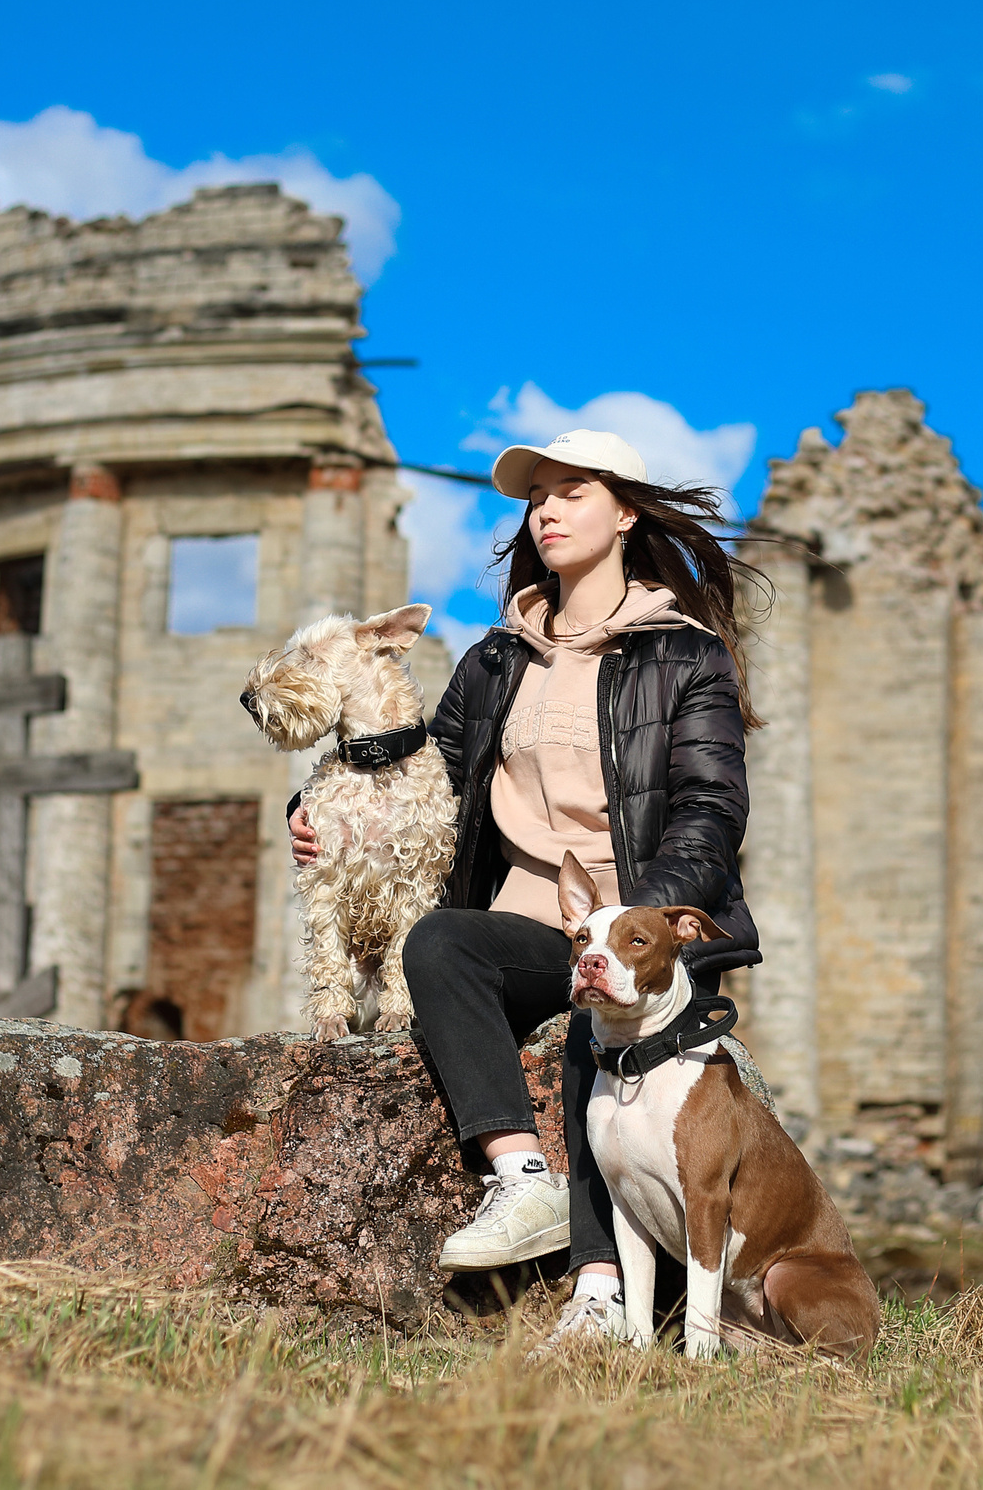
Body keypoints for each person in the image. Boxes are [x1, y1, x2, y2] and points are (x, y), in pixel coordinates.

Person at [289, 426, 765, 1345]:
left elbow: (712, 808)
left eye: (571, 490)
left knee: (602, 1027)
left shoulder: (684, 656)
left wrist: (638, 925)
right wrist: (307, 807)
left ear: (625, 512)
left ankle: (598, 1293)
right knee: (436, 944)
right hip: (524, 926)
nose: (545, 509)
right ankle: (521, 1177)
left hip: (634, 940)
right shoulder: (495, 658)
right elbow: (418, 767)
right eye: (534, 496)